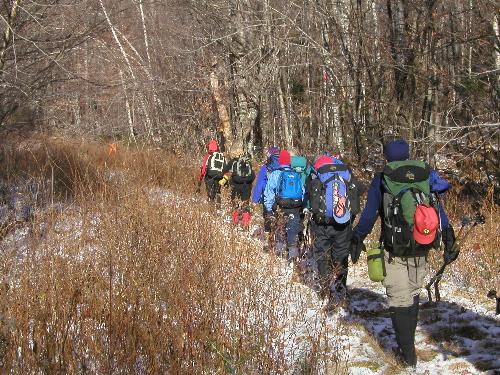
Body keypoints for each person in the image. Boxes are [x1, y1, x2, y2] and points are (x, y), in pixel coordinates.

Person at [349, 139, 455, 367]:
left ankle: (408, 357)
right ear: (407, 154)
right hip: (421, 244)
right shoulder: (423, 174)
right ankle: (409, 349)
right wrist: (447, 234)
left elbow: (369, 215)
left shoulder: (383, 178)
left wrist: (358, 236)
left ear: (386, 156)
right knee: (414, 292)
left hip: (394, 248)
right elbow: (437, 207)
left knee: (398, 298)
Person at [306, 154, 361, 306]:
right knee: (341, 255)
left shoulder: (316, 175)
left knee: (322, 254)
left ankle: (325, 288)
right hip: (343, 223)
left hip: (321, 223)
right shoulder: (345, 174)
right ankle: (340, 287)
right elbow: (358, 192)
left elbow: (309, 195)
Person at [263, 150, 304, 263]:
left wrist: (269, 208)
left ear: (280, 161)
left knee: (280, 229)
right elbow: (302, 191)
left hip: (281, 206)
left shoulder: (275, 174)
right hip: (295, 206)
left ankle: (279, 256)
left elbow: (269, 193)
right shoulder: (296, 174)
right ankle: (293, 257)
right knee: (293, 230)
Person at [252, 147, 280, 245]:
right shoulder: (284, 165)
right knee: (278, 218)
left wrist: (255, 199)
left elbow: (259, 183)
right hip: (281, 198)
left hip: (267, 197)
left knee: (268, 217)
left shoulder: (266, 167)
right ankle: (278, 240)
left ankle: (269, 241)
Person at [223, 153, 256, 229]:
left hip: (235, 186)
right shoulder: (248, 162)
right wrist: (248, 183)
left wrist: (227, 181)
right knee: (245, 205)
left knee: (235, 203)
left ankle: (235, 222)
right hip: (246, 186)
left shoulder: (233, 161)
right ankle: (245, 223)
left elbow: (224, 170)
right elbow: (253, 176)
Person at [197, 140, 228, 205]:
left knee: (211, 194)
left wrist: (199, 182)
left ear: (209, 147)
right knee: (217, 192)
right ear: (217, 147)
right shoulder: (221, 156)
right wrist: (225, 181)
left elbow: (203, 170)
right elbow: (226, 170)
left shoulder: (208, 156)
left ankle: (211, 206)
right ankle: (218, 207)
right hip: (220, 176)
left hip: (210, 176)